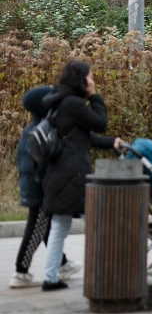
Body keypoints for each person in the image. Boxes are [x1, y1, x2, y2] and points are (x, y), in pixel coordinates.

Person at [39, 61, 124, 291]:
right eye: (91, 77)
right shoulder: (73, 104)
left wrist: (111, 143)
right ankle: (109, 272)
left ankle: (50, 278)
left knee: (60, 225)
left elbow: (84, 137)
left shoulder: (58, 103)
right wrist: (96, 97)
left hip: (58, 174)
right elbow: (100, 123)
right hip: (73, 176)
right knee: (98, 222)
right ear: (82, 79)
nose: (93, 80)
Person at [10, 86, 79, 288]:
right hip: (39, 188)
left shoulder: (32, 129)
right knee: (36, 229)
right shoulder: (42, 131)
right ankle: (20, 271)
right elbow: (40, 164)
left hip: (33, 185)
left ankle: (63, 264)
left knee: (46, 228)